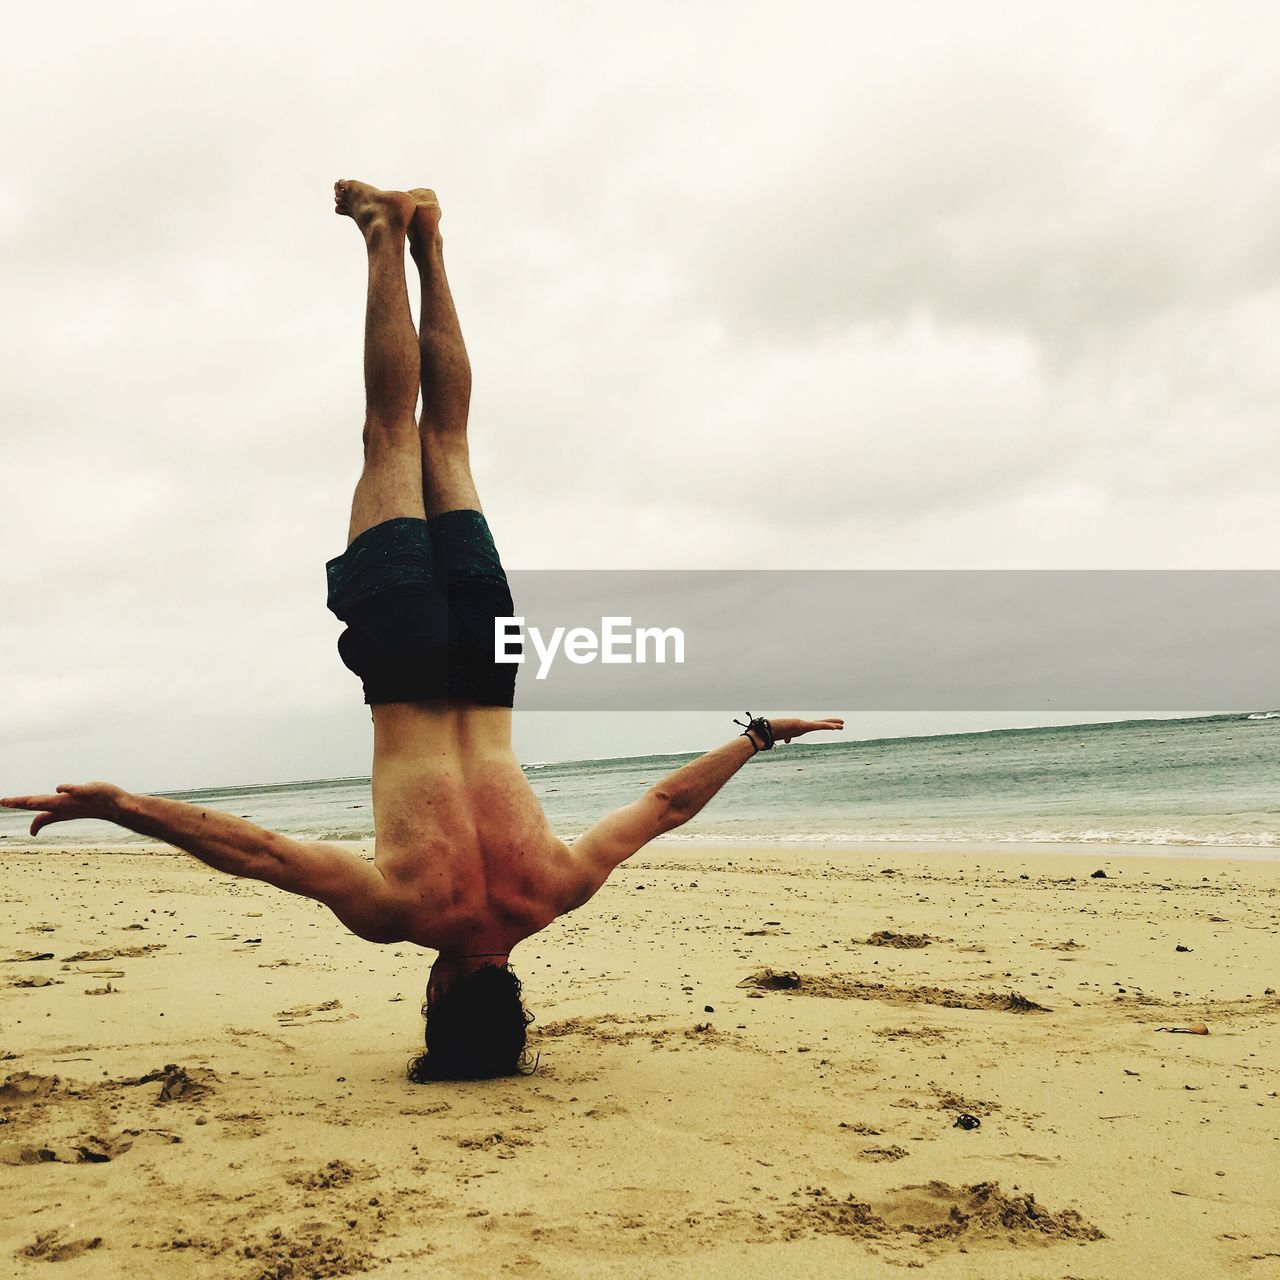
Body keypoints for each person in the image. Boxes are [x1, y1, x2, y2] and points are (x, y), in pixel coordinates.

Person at [1, 181, 844, 1081]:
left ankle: (431, 237)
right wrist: (124, 807)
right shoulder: (401, 911)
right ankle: (381, 233)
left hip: (490, 668)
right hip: (402, 662)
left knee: (448, 442)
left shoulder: (555, 891)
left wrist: (758, 736)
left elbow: (665, 807)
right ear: (440, 1003)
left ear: (514, 1002)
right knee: (387, 440)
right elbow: (258, 852)